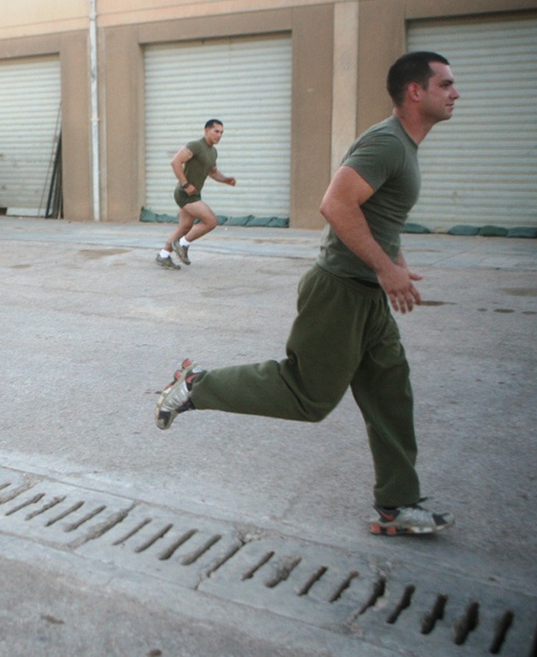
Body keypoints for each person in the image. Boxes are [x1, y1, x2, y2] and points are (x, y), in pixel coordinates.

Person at [154, 52, 460, 536]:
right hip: (340, 291)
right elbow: (335, 205)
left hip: (368, 297)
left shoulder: (404, 147)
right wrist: (384, 267)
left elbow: (377, 214)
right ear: (415, 91)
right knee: (308, 396)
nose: (455, 93)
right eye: (445, 84)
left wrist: (394, 262)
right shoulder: (386, 143)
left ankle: (398, 504)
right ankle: (194, 387)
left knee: (391, 394)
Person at [156, 119, 237, 270]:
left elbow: (213, 172)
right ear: (206, 131)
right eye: (216, 131)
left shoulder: (213, 152)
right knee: (211, 221)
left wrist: (226, 180)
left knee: (185, 226)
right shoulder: (196, 146)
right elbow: (175, 162)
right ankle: (182, 245)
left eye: (221, 133)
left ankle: (164, 255)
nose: (219, 135)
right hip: (184, 194)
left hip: (194, 194)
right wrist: (185, 185)